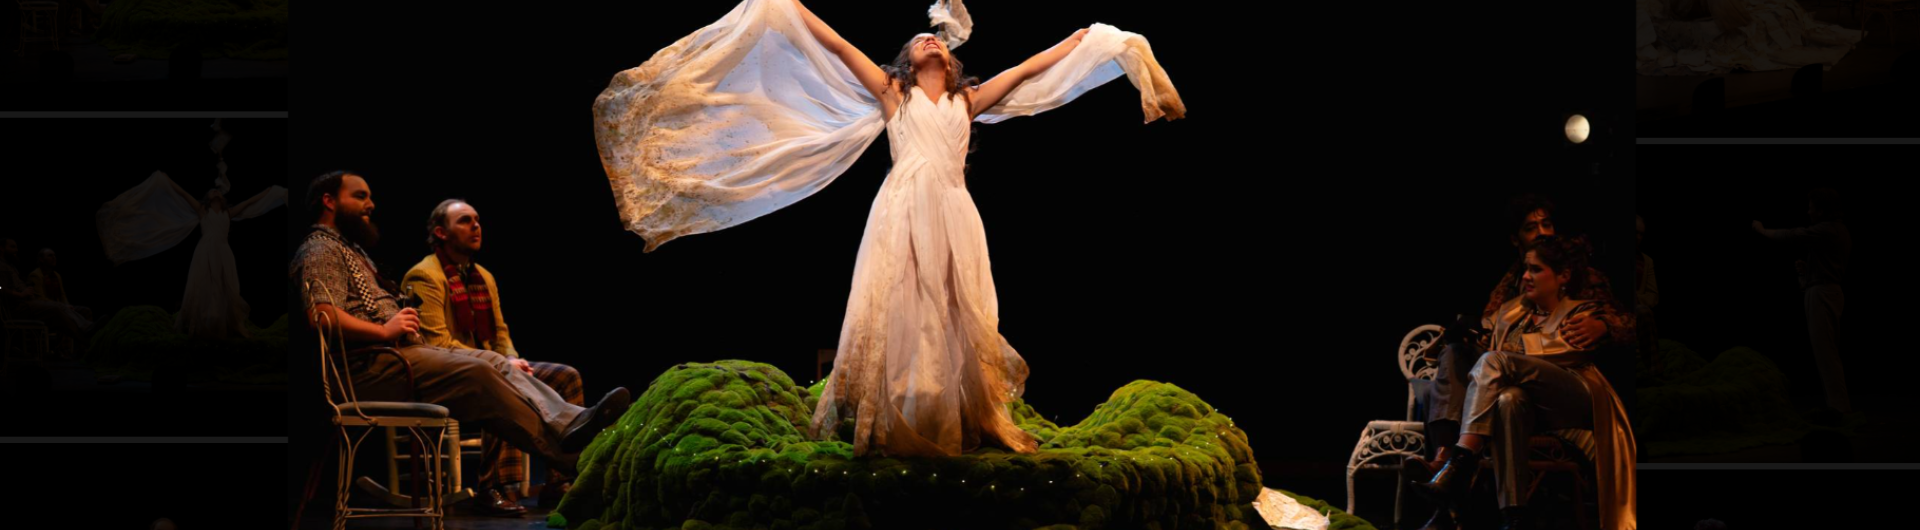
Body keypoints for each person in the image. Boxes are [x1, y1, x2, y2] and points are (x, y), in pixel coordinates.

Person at [592, 0, 1184, 457]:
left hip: (954, 208)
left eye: (936, 40)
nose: (929, 38)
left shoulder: (969, 100)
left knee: (954, 303)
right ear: (906, 60)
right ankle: (892, 412)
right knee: (899, 299)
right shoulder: (891, 92)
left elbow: (1030, 68)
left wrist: (1085, 41)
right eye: (918, 39)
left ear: (950, 62)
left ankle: (951, 413)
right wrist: (791, 9)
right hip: (903, 204)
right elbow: (833, 42)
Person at [293, 171, 629, 477]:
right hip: (367, 367)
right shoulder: (320, 248)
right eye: (360, 196)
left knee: (497, 363)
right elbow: (321, 315)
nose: (371, 204)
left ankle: (571, 426)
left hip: (394, 358)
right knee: (479, 374)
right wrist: (385, 329)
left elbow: (500, 332)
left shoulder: (350, 249)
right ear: (329, 201)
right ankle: (574, 461)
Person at [1416, 236, 1637, 530]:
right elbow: (1481, 343)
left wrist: (1502, 354)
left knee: (1495, 361)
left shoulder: (1582, 311)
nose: (1525, 277)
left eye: (1535, 269)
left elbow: (1564, 353)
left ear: (1563, 276)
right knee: (1509, 399)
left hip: (1573, 395)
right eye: (1525, 269)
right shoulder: (1510, 312)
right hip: (1529, 406)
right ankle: (1514, 515)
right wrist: (1461, 335)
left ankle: (1461, 461)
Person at [402, 199, 586, 514]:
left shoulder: (482, 276)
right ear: (441, 232)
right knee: (493, 378)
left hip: (490, 363)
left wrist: (514, 358)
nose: (475, 226)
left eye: (476, 219)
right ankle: (494, 487)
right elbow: (436, 343)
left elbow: (500, 333)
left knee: (564, 375)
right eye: (464, 221)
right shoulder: (424, 276)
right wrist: (500, 362)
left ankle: (561, 481)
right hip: (449, 377)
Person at [1753, 187, 1850, 415]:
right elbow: (1820, 272)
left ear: (1822, 210)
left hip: (1824, 294)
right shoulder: (1833, 231)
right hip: (1822, 291)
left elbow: (1793, 235)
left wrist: (1762, 230)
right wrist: (1805, 273)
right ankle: (1836, 407)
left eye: (1811, 207)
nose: (1808, 211)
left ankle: (1839, 409)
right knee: (1825, 354)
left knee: (1827, 355)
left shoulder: (1829, 230)